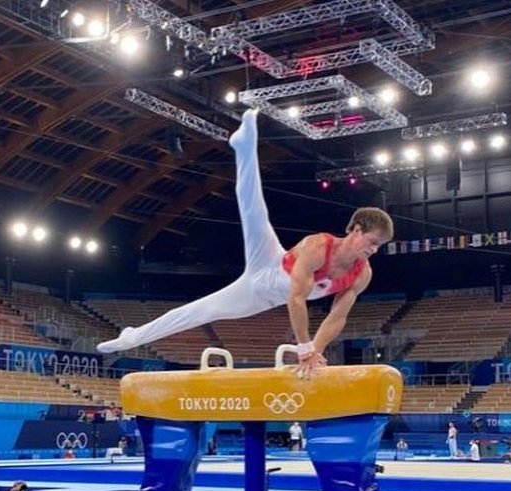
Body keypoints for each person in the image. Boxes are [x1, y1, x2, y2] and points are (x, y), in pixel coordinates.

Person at [96, 109, 393, 380]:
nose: (374, 249)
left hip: (258, 297)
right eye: (372, 241)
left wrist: (315, 349)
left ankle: (132, 336)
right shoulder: (319, 247)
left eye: (379, 245)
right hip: (268, 265)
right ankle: (244, 145)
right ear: (355, 229)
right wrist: (303, 347)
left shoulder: (362, 274)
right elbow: (296, 299)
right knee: (253, 209)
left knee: (201, 311)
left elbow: (336, 317)